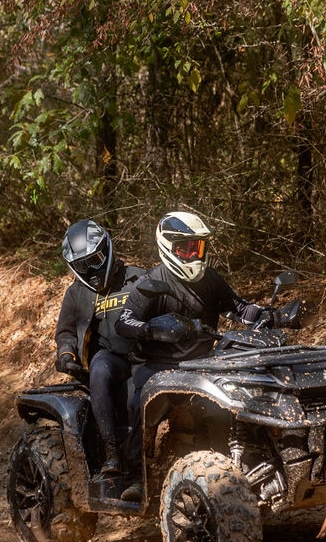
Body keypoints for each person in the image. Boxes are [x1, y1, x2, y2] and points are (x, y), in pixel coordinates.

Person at [114, 211, 275, 498]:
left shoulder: (210, 279)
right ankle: (134, 478)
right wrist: (152, 329)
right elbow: (123, 322)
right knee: (140, 406)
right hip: (156, 365)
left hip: (202, 365)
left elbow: (239, 308)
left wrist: (270, 315)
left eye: (198, 248)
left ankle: (241, 468)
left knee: (235, 404)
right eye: (186, 248)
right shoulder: (150, 283)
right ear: (168, 245)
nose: (194, 255)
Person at [52, 219, 143, 483]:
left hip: (143, 354)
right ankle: (111, 452)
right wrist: (66, 354)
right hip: (109, 359)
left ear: (108, 248)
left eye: (96, 259)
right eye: (83, 265)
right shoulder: (76, 294)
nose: (92, 269)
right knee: (100, 368)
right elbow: (65, 331)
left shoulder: (137, 277)